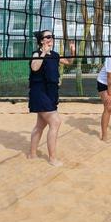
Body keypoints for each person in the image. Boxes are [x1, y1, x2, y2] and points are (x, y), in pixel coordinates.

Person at [28, 30, 75, 165]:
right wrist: (43, 52)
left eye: (52, 36)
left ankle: (32, 154)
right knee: (55, 122)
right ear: (42, 41)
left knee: (40, 125)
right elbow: (35, 67)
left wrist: (72, 52)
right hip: (39, 92)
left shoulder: (54, 55)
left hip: (51, 93)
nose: (51, 38)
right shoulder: (37, 54)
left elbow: (69, 62)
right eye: (48, 37)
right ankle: (52, 158)